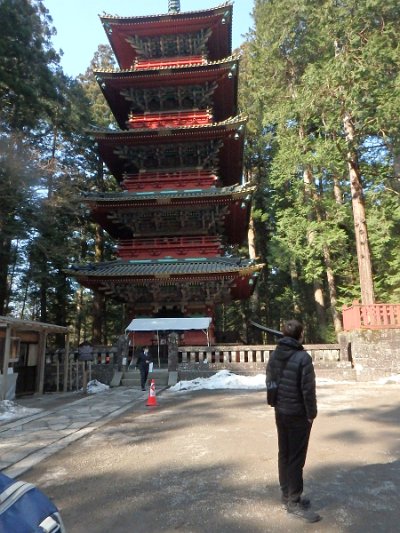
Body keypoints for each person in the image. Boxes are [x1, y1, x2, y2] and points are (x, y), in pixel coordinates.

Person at [266, 319, 321, 523]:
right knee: (296, 457)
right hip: (298, 413)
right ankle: (294, 501)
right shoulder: (303, 358)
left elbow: (270, 381)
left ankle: (286, 493)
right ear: (299, 335)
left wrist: (273, 402)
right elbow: (308, 390)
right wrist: (311, 413)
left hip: (281, 411)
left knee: (284, 452)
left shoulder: (274, 354)